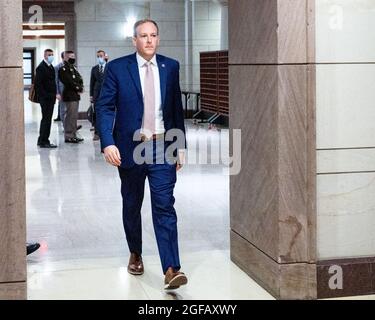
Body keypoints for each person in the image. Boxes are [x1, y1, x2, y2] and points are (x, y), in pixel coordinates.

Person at [96, 19, 187, 290]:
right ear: (134, 40)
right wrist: (108, 142)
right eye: (143, 36)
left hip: (162, 145)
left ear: (158, 39)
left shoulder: (170, 67)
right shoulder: (117, 68)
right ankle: (135, 251)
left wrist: (179, 146)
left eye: (153, 35)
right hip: (130, 147)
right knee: (132, 203)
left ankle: (172, 269)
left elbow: (175, 110)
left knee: (164, 205)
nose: (149, 40)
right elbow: (105, 107)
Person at [58, 51, 84, 143]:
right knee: (70, 116)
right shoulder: (63, 69)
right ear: (65, 58)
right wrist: (77, 88)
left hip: (75, 95)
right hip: (69, 95)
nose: (73, 58)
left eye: (74, 56)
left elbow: (79, 79)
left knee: (74, 116)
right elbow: (68, 81)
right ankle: (68, 135)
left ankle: (73, 134)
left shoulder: (73, 68)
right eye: (70, 56)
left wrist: (80, 87)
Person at [34, 49, 57, 148]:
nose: (51, 56)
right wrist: (45, 96)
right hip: (45, 99)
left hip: (51, 98)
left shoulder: (50, 67)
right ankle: (44, 141)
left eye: (52, 54)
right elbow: (38, 85)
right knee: (46, 119)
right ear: (45, 56)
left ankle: (41, 139)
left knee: (47, 119)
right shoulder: (41, 67)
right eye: (49, 55)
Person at [90, 50, 108, 141]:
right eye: (98, 56)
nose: (99, 58)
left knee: (107, 114)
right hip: (97, 94)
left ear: (105, 56)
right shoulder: (94, 68)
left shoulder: (109, 67)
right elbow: (92, 82)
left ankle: (106, 133)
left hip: (107, 94)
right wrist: (91, 95)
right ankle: (96, 133)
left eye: (101, 56)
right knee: (97, 114)